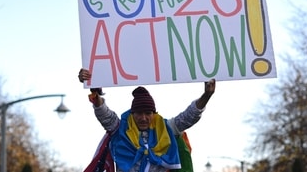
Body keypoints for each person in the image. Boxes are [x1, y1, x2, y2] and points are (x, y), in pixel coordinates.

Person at [78, 68, 216, 172]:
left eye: (148, 113)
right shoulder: (120, 130)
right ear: (132, 114)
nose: (143, 118)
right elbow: (104, 114)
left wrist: (207, 95)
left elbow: (189, 116)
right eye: (138, 113)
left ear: (154, 114)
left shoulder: (167, 128)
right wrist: (95, 91)